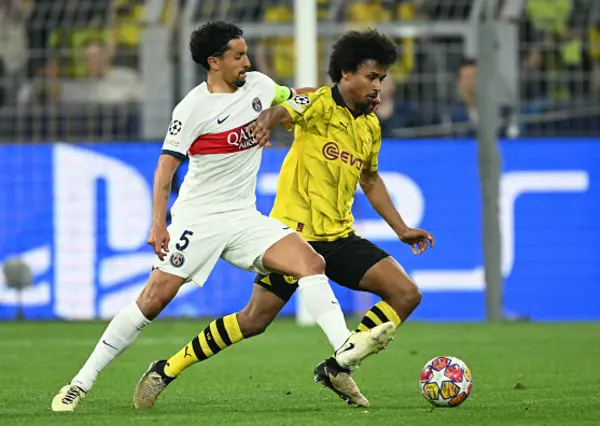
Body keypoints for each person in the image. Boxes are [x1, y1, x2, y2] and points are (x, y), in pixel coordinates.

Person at [51, 21, 392, 412]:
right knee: (152, 299)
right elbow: (165, 171)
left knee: (309, 262)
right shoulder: (192, 109)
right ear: (214, 62)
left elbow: (305, 97)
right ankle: (80, 382)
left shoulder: (261, 87)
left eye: (246, 53)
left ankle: (343, 348)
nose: (247, 61)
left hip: (244, 216)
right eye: (238, 56)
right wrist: (158, 224)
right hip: (199, 218)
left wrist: (282, 110)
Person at [132, 29, 433, 409]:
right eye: (372, 77)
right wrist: (267, 121)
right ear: (345, 74)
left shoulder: (370, 125)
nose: (378, 87)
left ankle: (338, 365)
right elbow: (284, 108)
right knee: (254, 320)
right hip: (294, 239)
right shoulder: (317, 103)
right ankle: (166, 369)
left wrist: (402, 228)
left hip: (339, 237)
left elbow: (370, 180)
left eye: (382, 80)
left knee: (406, 293)